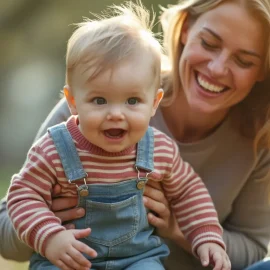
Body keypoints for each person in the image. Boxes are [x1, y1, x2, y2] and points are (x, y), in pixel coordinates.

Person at [1, 0, 270, 269]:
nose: (217, 68)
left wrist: (190, 231)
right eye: (210, 44)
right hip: (72, 259)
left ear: (154, 102)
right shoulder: (65, 135)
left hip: (137, 261)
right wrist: (48, 231)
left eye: (243, 60)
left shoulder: (162, 149)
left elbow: (191, 192)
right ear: (73, 101)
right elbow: (17, 202)